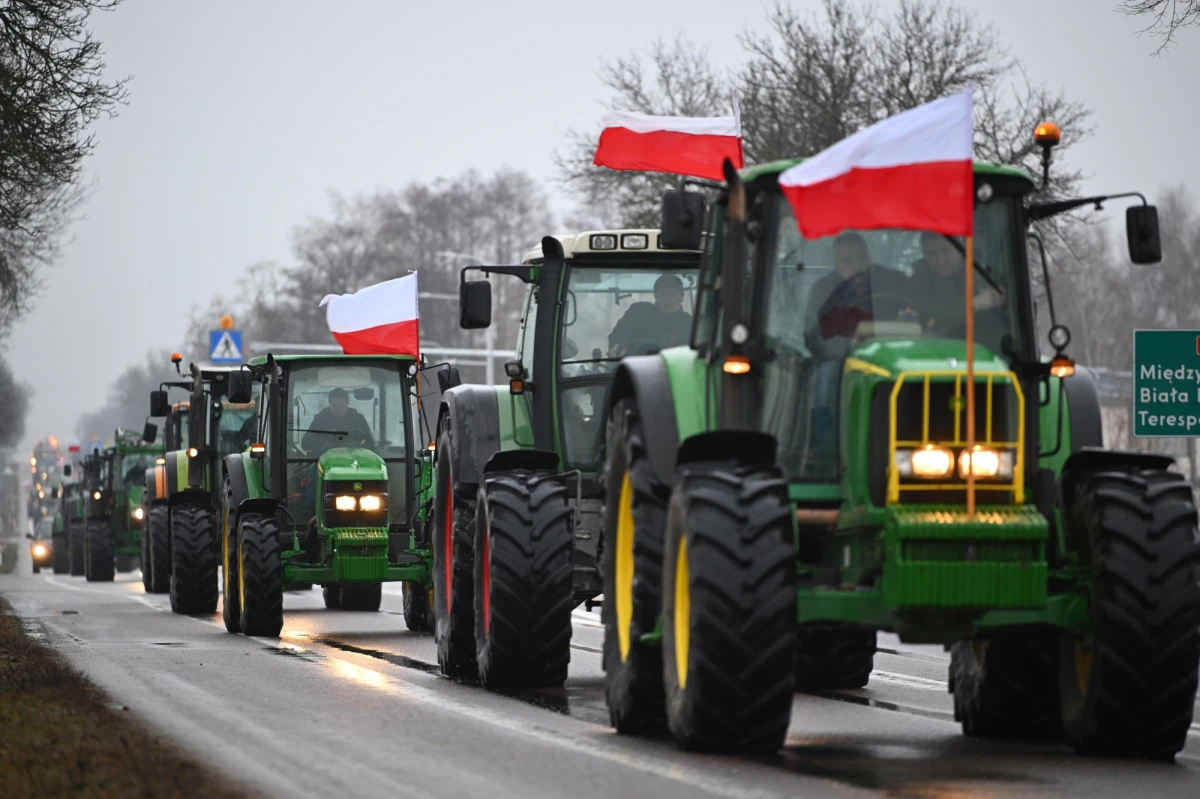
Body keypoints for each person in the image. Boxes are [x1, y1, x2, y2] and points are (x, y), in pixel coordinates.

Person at [804, 231, 912, 346]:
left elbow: (913, 325)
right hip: (841, 358)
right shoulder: (823, 290)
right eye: (847, 261)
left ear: (869, 257)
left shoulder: (894, 282)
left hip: (890, 352)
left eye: (862, 259)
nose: (857, 266)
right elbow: (813, 337)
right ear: (835, 264)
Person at [907, 232, 1005, 336]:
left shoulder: (985, 270)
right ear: (924, 254)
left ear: (960, 249)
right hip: (941, 346)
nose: (940, 261)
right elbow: (931, 320)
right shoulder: (918, 284)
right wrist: (974, 304)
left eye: (945, 251)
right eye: (931, 254)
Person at [607, 273, 693, 357]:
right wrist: (616, 348)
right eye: (662, 294)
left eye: (673, 294)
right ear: (656, 298)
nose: (668, 299)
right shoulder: (638, 313)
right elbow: (618, 336)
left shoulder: (689, 323)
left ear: (681, 297)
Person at [301, 388, 375, 454]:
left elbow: (370, 443)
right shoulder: (320, 419)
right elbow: (305, 444)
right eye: (334, 406)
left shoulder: (359, 420)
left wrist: (355, 446)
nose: (337, 409)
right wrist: (323, 445)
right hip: (323, 459)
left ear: (347, 404)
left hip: (355, 459)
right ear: (329, 404)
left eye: (341, 406)